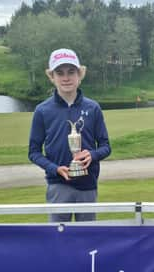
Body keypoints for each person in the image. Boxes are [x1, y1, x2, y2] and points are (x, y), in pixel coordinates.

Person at [28, 48, 111, 222]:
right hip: (58, 185)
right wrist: (54, 169)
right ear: (52, 77)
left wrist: (92, 154)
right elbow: (33, 152)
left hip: (87, 185)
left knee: (87, 239)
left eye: (71, 72)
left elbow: (105, 146)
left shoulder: (93, 108)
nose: (66, 78)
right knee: (59, 239)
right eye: (60, 73)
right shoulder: (42, 110)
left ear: (80, 74)